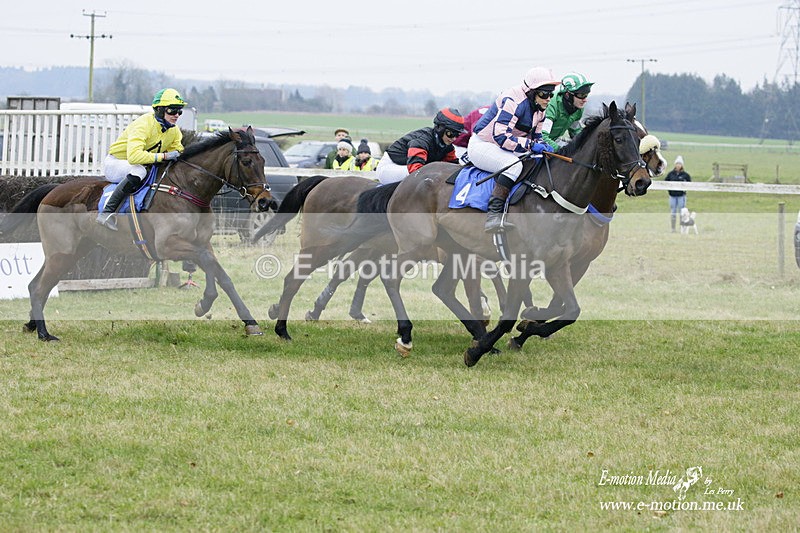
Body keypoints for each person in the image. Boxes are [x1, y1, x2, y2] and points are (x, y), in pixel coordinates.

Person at [468, 67, 560, 232]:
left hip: (505, 146)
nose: (548, 99)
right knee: (514, 166)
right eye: (544, 94)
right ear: (532, 92)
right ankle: (493, 216)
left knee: (539, 161)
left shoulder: (540, 107)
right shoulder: (513, 100)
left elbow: (536, 136)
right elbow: (500, 136)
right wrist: (531, 145)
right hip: (483, 144)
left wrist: (542, 146)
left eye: (551, 95)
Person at [96, 88, 187, 231]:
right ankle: (107, 213)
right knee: (139, 171)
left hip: (145, 164)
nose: (176, 115)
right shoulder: (143, 124)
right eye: (172, 110)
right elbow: (134, 157)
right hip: (117, 163)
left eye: (179, 111)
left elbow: (178, 150)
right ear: (160, 110)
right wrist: (163, 156)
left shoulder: (174, 130)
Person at [375, 107, 465, 185]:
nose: (453, 139)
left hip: (408, 167)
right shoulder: (421, 142)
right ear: (439, 128)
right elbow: (415, 172)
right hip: (390, 167)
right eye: (450, 133)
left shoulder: (448, 146)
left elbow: (454, 167)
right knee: (427, 175)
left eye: (457, 135)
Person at [541, 72, 594, 150]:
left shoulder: (578, 108)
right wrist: (561, 150)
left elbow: (575, 131)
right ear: (567, 95)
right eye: (581, 95)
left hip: (555, 140)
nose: (585, 100)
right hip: (536, 142)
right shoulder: (552, 106)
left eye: (586, 95)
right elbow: (543, 137)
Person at [665, 155, 692, 232]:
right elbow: (666, 182)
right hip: (672, 196)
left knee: (682, 212)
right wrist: (669, 191)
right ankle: (673, 228)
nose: (678, 165)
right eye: (677, 164)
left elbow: (690, 184)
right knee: (673, 212)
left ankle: (682, 227)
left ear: (682, 165)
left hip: (681, 196)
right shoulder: (671, 174)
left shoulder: (685, 175)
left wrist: (684, 190)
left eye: (679, 164)